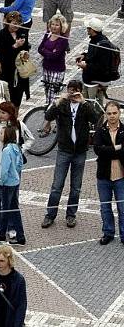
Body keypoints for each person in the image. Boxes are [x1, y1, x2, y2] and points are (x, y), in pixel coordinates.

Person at [42, 79, 103, 229]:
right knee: (57, 185)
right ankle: (50, 215)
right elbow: (48, 116)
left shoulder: (84, 106)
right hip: (64, 150)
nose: (72, 92)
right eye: (70, 89)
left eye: (75, 90)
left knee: (76, 186)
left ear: (80, 91)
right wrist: (58, 101)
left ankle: (71, 215)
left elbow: (97, 120)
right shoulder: (62, 104)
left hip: (80, 151)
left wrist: (84, 103)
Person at [0, 101, 32, 238]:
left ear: (10, 114)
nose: (0, 114)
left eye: (3, 112)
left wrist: (20, 150)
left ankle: (11, 227)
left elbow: (30, 139)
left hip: (13, 168)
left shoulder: (18, 125)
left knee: (12, 198)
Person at [94, 101, 124, 245]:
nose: (112, 116)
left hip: (121, 176)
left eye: (114, 113)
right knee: (105, 207)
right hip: (104, 176)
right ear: (105, 114)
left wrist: (109, 150)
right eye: (109, 113)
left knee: (122, 208)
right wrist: (117, 148)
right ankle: (108, 232)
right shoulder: (100, 130)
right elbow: (98, 150)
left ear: (119, 113)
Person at [37, 15, 70, 135]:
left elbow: (55, 56)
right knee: (48, 96)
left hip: (57, 70)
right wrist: (49, 52)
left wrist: (47, 52)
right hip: (46, 68)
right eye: (52, 24)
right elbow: (39, 49)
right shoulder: (47, 35)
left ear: (61, 26)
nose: (54, 27)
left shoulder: (63, 39)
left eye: (57, 25)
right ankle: (55, 120)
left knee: (53, 97)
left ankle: (48, 124)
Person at [78, 17, 119, 103]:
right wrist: (84, 56)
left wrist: (86, 66)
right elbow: (94, 57)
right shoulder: (96, 40)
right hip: (92, 77)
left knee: (92, 104)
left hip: (97, 78)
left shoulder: (102, 45)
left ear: (92, 30)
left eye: (88, 28)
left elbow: (101, 66)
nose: (87, 30)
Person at [0, 124, 26, 245]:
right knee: (14, 209)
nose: (0, 135)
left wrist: (1, 182)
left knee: (5, 209)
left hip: (8, 184)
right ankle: (20, 237)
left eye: (2, 133)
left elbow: (4, 170)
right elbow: (20, 164)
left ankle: (1, 234)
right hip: (15, 181)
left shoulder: (6, 150)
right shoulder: (16, 147)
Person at [0, 11, 30, 107]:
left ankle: (14, 118)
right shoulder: (1, 35)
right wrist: (15, 46)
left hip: (19, 71)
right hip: (6, 71)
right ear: (8, 22)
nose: (17, 26)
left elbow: (26, 48)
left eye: (19, 23)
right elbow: (2, 53)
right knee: (6, 99)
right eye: (14, 23)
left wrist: (25, 53)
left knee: (17, 99)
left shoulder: (22, 33)